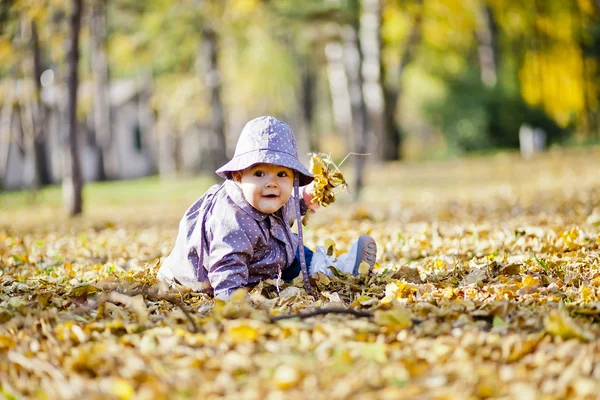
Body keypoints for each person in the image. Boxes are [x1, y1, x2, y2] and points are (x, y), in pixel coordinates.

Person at [157, 116, 377, 300]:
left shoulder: (270, 197)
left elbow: (289, 204)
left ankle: (337, 268)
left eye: (282, 174)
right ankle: (318, 268)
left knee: (297, 250)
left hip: (266, 259)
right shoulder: (232, 220)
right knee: (266, 258)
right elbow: (227, 266)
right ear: (239, 176)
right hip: (207, 275)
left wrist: (305, 199)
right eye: (259, 174)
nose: (271, 183)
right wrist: (233, 302)